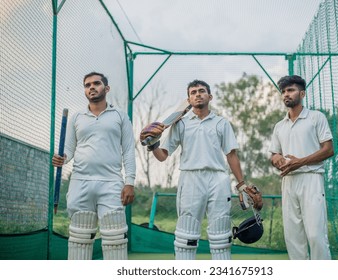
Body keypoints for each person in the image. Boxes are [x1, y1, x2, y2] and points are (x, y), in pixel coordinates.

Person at [140, 80, 259, 260]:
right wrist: (152, 145)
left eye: (201, 91)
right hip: (190, 178)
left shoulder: (221, 123)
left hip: (218, 178)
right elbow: (163, 155)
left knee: (221, 236)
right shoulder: (180, 124)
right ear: (188, 99)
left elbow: (231, 154)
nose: (198, 94)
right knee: (186, 235)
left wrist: (241, 184)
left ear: (209, 96)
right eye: (193, 92)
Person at [52, 72, 136, 260]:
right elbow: (69, 149)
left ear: (106, 88)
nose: (91, 87)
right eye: (87, 85)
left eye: (96, 83)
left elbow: (129, 150)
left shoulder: (120, 116)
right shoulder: (76, 117)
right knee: (80, 237)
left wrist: (129, 182)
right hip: (80, 181)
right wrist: (62, 158)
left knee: (115, 237)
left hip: (111, 181)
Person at [269, 75, 334, 260]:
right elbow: (273, 154)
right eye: (283, 91)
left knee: (315, 235)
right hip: (288, 182)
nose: (286, 95)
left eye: (290, 90)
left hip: (311, 178)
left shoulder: (316, 117)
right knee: (293, 238)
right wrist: (278, 159)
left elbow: (328, 150)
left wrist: (301, 161)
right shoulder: (279, 126)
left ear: (302, 93)